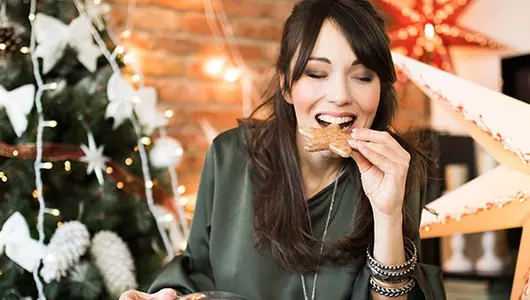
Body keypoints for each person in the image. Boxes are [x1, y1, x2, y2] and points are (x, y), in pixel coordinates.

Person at [120, 0, 446, 299]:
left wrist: (387, 213)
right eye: (316, 73)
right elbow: (196, 274)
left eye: (362, 76)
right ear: (286, 86)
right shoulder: (230, 155)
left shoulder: (396, 170)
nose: (340, 96)